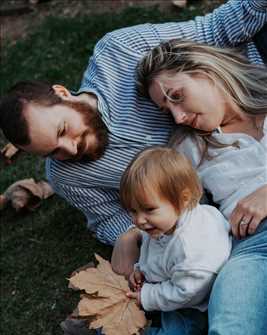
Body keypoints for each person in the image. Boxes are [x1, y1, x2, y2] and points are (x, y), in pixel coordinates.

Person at [0, 0, 266, 257]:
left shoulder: (118, 51)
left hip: (249, 89)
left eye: (62, 131)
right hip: (226, 189)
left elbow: (213, 30)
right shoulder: (66, 177)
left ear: (62, 93)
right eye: (53, 151)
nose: (71, 148)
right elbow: (108, 219)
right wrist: (130, 236)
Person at [135, 39, 267, 335]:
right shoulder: (188, 149)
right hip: (251, 250)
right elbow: (166, 212)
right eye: (167, 109)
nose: (177, 116)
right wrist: (130, 241)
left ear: (206, 71)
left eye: (177, 96)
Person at [88, 146, 232, 335]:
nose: (139, 220)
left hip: (194, 303)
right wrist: (140, 270)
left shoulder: (193, 249)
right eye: (133, 211)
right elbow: (152, 249)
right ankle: (109, 328)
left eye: (148, 210)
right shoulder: (162, 223)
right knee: (131, 299)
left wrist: (148, 296)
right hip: (166, 282)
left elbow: (185, 292)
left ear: (184, 199)